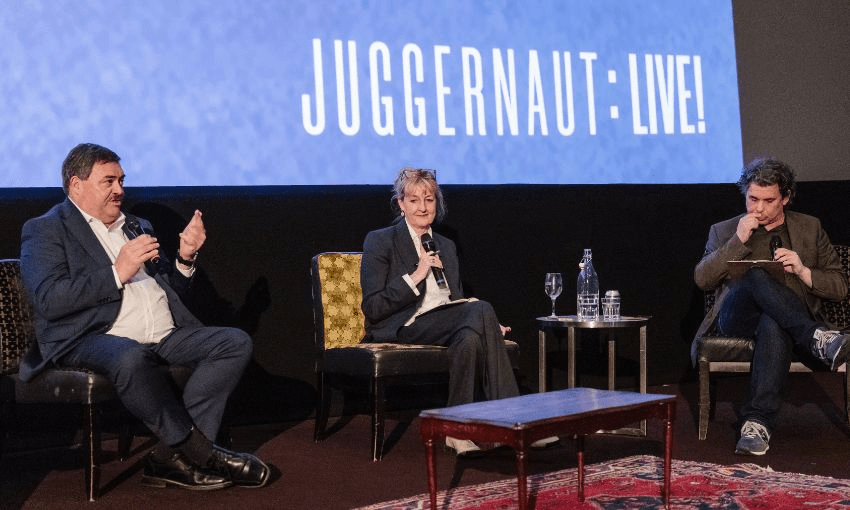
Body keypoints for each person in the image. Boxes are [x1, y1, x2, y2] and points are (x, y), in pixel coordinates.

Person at [18, 143, 270, 490]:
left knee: (233, 342)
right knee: (130, 356)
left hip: (163, 335)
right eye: (108, 181)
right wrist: (116, 272)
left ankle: (170, 458)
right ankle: (203, 453)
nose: (120, 189)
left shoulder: (136, 225)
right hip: (90, 336)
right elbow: (49, 300)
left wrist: (184, 259)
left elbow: (170, 292)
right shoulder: (47, 229)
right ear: (76, 185)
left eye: (121, 180)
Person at [360, 167, 557, 456]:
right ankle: (518, 421)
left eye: (429, 199)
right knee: (481, 311)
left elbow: (456, 299)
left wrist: (487, 324)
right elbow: (374, 307)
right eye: (414, 200)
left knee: (470, 337)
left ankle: (456, 431)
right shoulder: (380, 240)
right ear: (401, 204)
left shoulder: (446, 246)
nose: (423, 207)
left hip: (446, 321)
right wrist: (417, 274)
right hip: (404, 324)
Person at [692, 157, 849, 456]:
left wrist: (804, 271)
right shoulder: (725, 231)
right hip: (737, 318)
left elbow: (840, 286)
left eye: (768, 200)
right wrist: (737, 242)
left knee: (773, 323)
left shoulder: (809, 228)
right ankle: (817, 337)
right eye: (752, 199)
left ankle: (756, 423)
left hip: (786, 319)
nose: (758, 208)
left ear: (785, 199)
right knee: (755, 274)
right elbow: (702, 279)